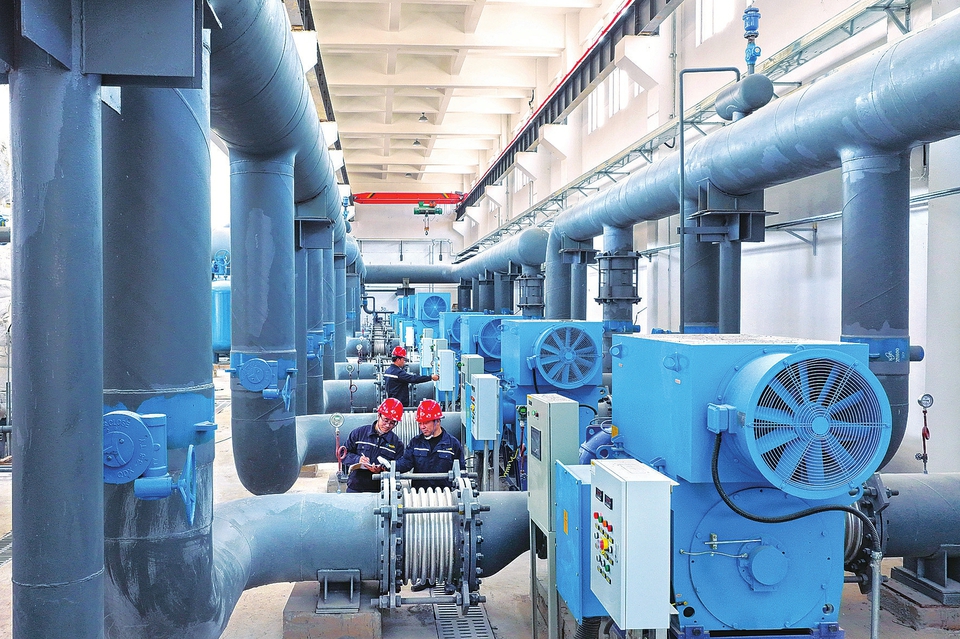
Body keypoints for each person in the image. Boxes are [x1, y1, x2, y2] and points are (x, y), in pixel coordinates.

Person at [395, 399, 465, 491]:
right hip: (419, 495)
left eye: (426, 422)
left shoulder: (453, 444)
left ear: (437, 421)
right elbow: (405, 464)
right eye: (420, 423)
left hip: (445, 495)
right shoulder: (415, 442)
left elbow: (461, 471)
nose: (422, 427)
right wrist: (388, 466)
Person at [343, 398, 406, 493]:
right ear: (378, 415)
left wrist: (382, 470)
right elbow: (343, 454)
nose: (388, 425)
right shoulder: (359, 433)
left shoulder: (397, 443)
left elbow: (399, 467)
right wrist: (358, 460)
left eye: (392, 422)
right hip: (355, 488)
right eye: (385, 420)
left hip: (380, 491)